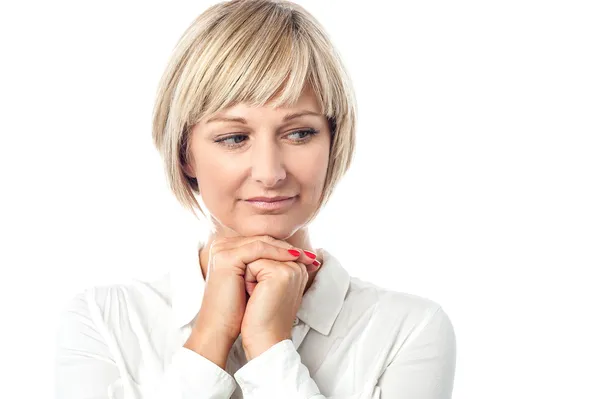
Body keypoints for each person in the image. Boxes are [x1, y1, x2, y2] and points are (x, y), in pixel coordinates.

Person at [54, 0, 456, 398]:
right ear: (185, 153)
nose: (270, 171)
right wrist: (210, 336)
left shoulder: (408, 329)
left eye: (300, 133)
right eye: (234, 138)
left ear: (334, 142)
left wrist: (268, 349)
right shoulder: (103, 320)